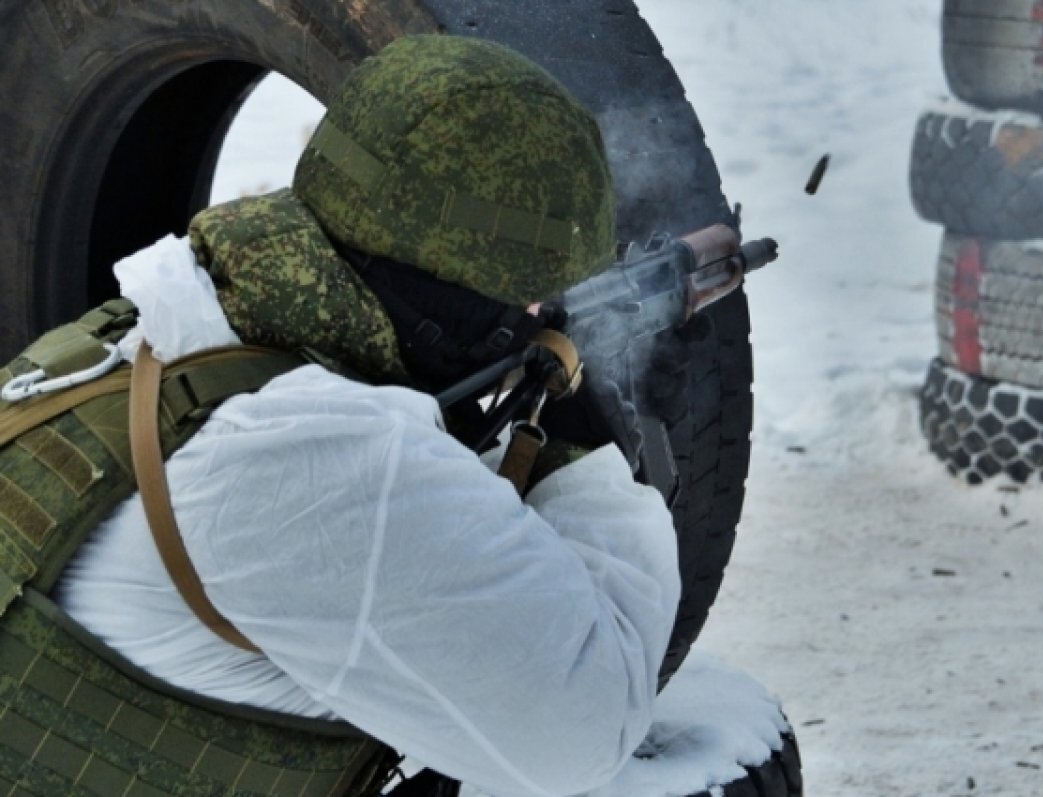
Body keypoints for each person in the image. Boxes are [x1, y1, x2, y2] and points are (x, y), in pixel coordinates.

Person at [1, 35, 680, 797]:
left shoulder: (184, 320)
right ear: (452, 303)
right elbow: (589, 730)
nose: (535, 322)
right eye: (530, 302)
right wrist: (581, 450)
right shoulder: (333, 462)